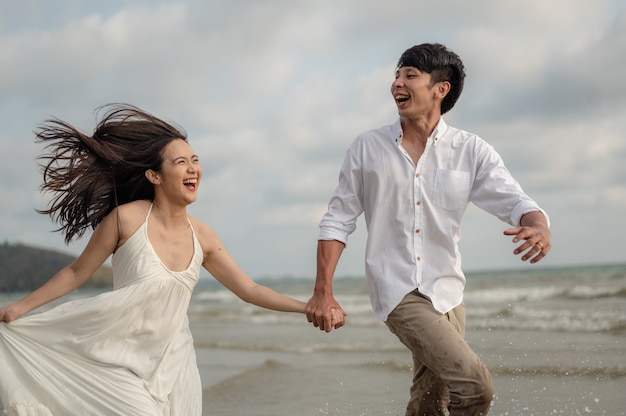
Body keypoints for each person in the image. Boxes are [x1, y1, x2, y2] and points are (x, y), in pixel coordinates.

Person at [0, 104, 342, 415]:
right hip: (118, 358)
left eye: (195, 160)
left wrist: (307, 306)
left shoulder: (203, 237)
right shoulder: (126, 220)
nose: (193, 169)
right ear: (155, 176)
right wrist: (18, 308)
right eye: (181, 162)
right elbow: (76, 273)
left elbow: (249, 289)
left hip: (176, 364)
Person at [305, 43, 551, 416]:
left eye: (409, 75)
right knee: (474, 387)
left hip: (449, 293)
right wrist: (323, 291)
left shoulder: (471, 150)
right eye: (397, 74)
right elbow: (338, 219)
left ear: (441, 89)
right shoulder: (367, 148)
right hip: (397, 290)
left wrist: (538, 227)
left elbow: (516, 202)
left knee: (430, 402)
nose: (396, 84)